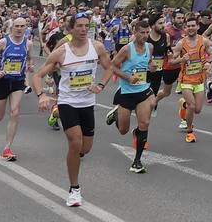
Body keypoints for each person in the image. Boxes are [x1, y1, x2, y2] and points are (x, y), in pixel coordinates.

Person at [32, 11, 112, 207]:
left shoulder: (97, 47)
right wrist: (41, 95)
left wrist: (100, 85)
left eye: (87, 26)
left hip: (87, 103)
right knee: (75, 144)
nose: (84, 29)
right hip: (67, 102)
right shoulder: (61, 52)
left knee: (86, 147)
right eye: (80, 26)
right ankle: (74, 189)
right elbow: (37, 76)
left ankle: (57, 116)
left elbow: (110, 67)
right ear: (71, 29)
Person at [103, 17, 155, 173]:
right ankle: (116, 114)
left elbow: (149, 61)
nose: (145, 35)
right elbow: (112, 67)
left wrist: (151, 66)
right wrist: (127, 77)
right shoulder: (127, 49)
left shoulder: (150, 47)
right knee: (123, 130)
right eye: (142, 32)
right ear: (135, 32)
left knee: (144, 123)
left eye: (147, 32)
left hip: (142, 91)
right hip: (126, 93)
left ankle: (137, 161)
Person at [0, 15, 32, 160]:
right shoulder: (4, 42)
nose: (19, 29)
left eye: (22, 26)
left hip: (18, 82)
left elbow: (29, 58)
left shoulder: (28, 44)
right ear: (12, 27)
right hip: (2, 81)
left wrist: (31, 65)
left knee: (15, 112)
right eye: (17, 26)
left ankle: (7, 148)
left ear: (25, 28)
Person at [169, 14, 212, 143]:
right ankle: (189, 131)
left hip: (199, 79)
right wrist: (182, 59)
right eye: (188, 26)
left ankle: (183, 105)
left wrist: (209, 63)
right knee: (192, 106)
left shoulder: (203, 41)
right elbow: (172, 61)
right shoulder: (181, 44)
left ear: (198, 27)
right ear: (185, 28)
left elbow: (211, 54)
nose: (191, 28)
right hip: (186, 80)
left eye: (193, 26)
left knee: (197, 110)